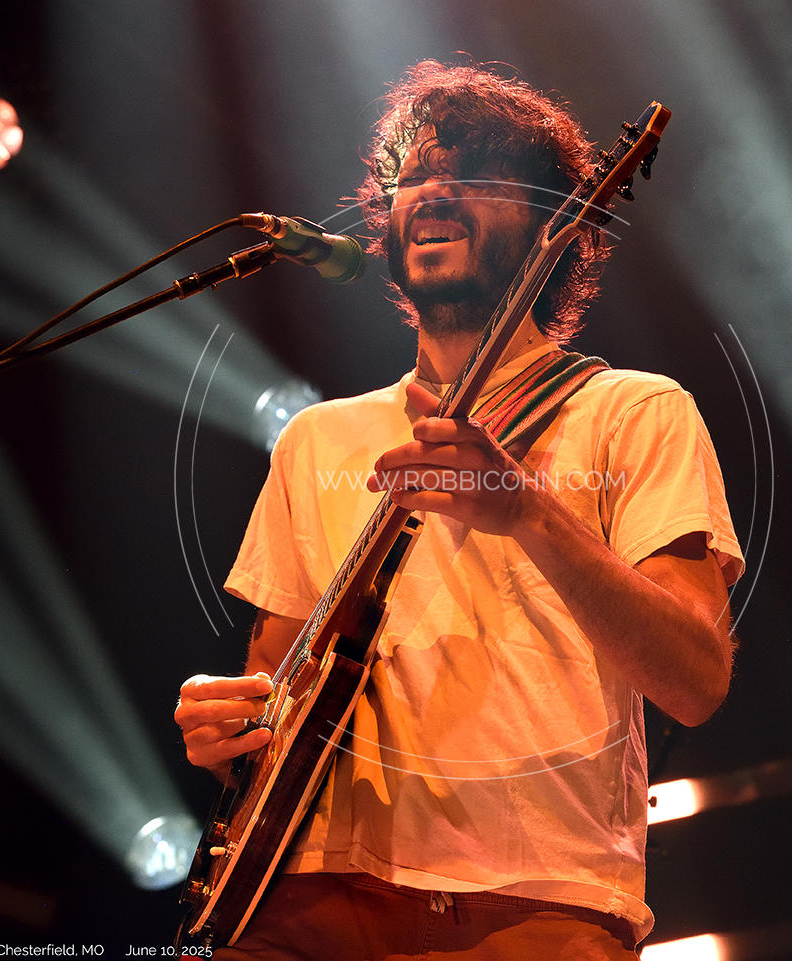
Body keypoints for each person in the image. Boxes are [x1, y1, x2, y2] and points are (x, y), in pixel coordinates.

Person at [174, 60, 743, 960]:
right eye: (413, 177)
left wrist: (528, 513)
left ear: (555, 223)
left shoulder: (634, 410)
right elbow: (275, 682)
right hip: (299, 892)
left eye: (474, 173)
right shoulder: (317, 439)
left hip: (533, 900)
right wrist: (227, 724)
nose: (434, 191)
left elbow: (695, 678)